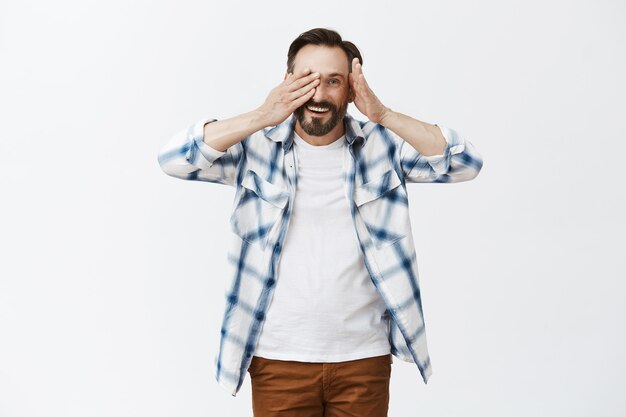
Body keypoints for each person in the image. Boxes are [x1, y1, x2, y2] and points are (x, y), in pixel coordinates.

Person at [157, 27, 483, 417]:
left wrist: (383, 114)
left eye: (333, 81)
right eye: (306, 79)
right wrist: (263, 115)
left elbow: (465, 163)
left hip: (363, 359)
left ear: (350, 90)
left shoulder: (384, 147)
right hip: (277, 359)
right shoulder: (254, 148)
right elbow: (174, 159)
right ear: (287, 82)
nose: (319, 94)